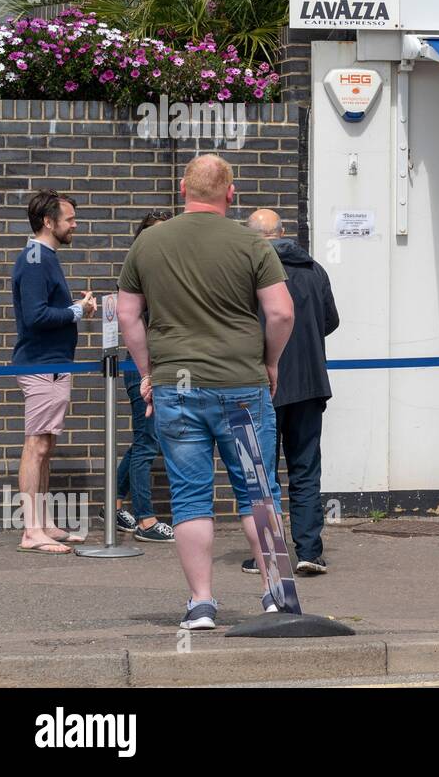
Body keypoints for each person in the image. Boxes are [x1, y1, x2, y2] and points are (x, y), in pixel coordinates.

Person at [117, 155, 295, 630]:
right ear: (230, 193)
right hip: (241, 386)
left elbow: (127, 315)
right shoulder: (252, 243)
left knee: (191, 498)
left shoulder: (149, 243)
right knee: (258, 493)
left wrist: (148, 370)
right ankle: (277, 594)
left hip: (178, 386)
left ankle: (200, 604)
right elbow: (281, 313)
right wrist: (270, 361)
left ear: (182, 188)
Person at [244, 208, 339, 576]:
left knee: (262, 471)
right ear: (283, 232)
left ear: (254, 238)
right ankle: (310, 552)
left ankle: (267, 553)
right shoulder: (315, 270)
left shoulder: (250, 272)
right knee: (305, 468)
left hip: (262, 384)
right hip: (311, 385)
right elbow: (331, 321)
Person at [11, 191, 96, 554]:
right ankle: (32, 530)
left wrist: (76, 310)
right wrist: (77, 310)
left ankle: (43, 523)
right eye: (70, 219)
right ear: (49, 222)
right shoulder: (35, 259)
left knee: (46, 444)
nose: (74, 224)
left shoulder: (43, 257)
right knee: (37, 445)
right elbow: (36, 316)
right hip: (42, 364)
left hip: (52, 364)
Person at [114, 210, 175, 543]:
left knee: (144, 439)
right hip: (143, 368)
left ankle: (114, 504)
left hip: (158, 365)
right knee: (148, 441)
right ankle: (146, 520)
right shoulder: (141, 273)